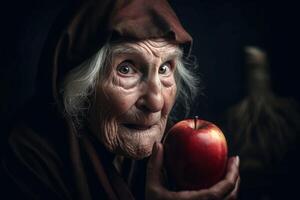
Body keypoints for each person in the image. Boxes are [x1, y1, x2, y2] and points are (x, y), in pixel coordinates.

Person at [2, 0, 240, 199]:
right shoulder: (26, 159)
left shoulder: (176, 149)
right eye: (126, 69)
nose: (156, 102)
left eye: (165, 68)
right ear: (79, 86)